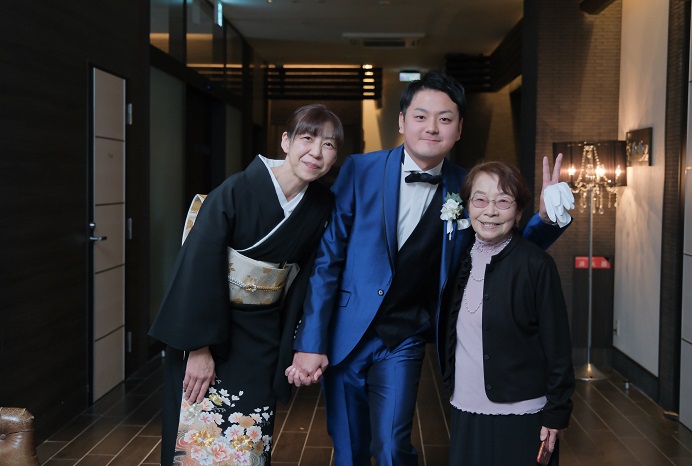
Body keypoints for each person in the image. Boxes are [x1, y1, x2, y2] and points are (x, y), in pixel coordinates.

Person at [287, 70, 572, 466]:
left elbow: (503, 244)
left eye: (445, 118)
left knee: (392, 446)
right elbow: (328, 259)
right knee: (348, 447)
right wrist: (311, 340)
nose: (432, 128)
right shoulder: (359, 169)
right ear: (402, 122)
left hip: (404, 336)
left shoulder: (466, 185)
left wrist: (547, 219)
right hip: (345, 331)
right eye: (421, 116)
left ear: (459, 130)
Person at [148, 103, 343, 466]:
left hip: (263, 337)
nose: (316, 152)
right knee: (193, 444)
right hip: (208, 332)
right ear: (285, 141)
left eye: (328, 145)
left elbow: (309, 279)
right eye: (307, 138)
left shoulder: (321, 205)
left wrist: (302, 343)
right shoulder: (236, 190)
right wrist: (198, 348)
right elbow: (197, 267)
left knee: (249, 446)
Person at [439, 161, 575, 465]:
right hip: (465, 407)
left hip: (523, 415)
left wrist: (557, 412)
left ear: (519, 212)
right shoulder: (456, 260)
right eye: (480, 200)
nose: (490, 211)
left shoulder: (536, 265)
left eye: (503, 201)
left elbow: (558, 346)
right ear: (467, 206)